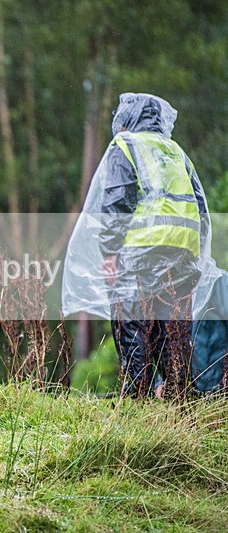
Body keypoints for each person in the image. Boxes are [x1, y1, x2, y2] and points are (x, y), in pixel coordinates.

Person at [98, 93, 210, 398]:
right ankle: (179, 391)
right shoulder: (175, 151)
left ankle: (138, 393)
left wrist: (109, 252)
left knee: (131, 318)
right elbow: (200, 205)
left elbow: (117, 199)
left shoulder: (126, 146)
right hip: (184, 250)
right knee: (173, 325)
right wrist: (195, 251)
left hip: (143, 248)